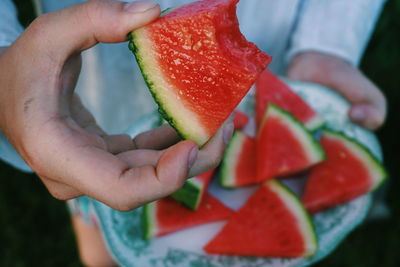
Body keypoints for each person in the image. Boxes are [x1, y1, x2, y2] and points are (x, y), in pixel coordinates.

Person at [0, 0, 387, 265]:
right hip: (94, 84)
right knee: (99, 233)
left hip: (276, 49)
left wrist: (326, 43)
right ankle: (98, 236)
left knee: (234, 143)